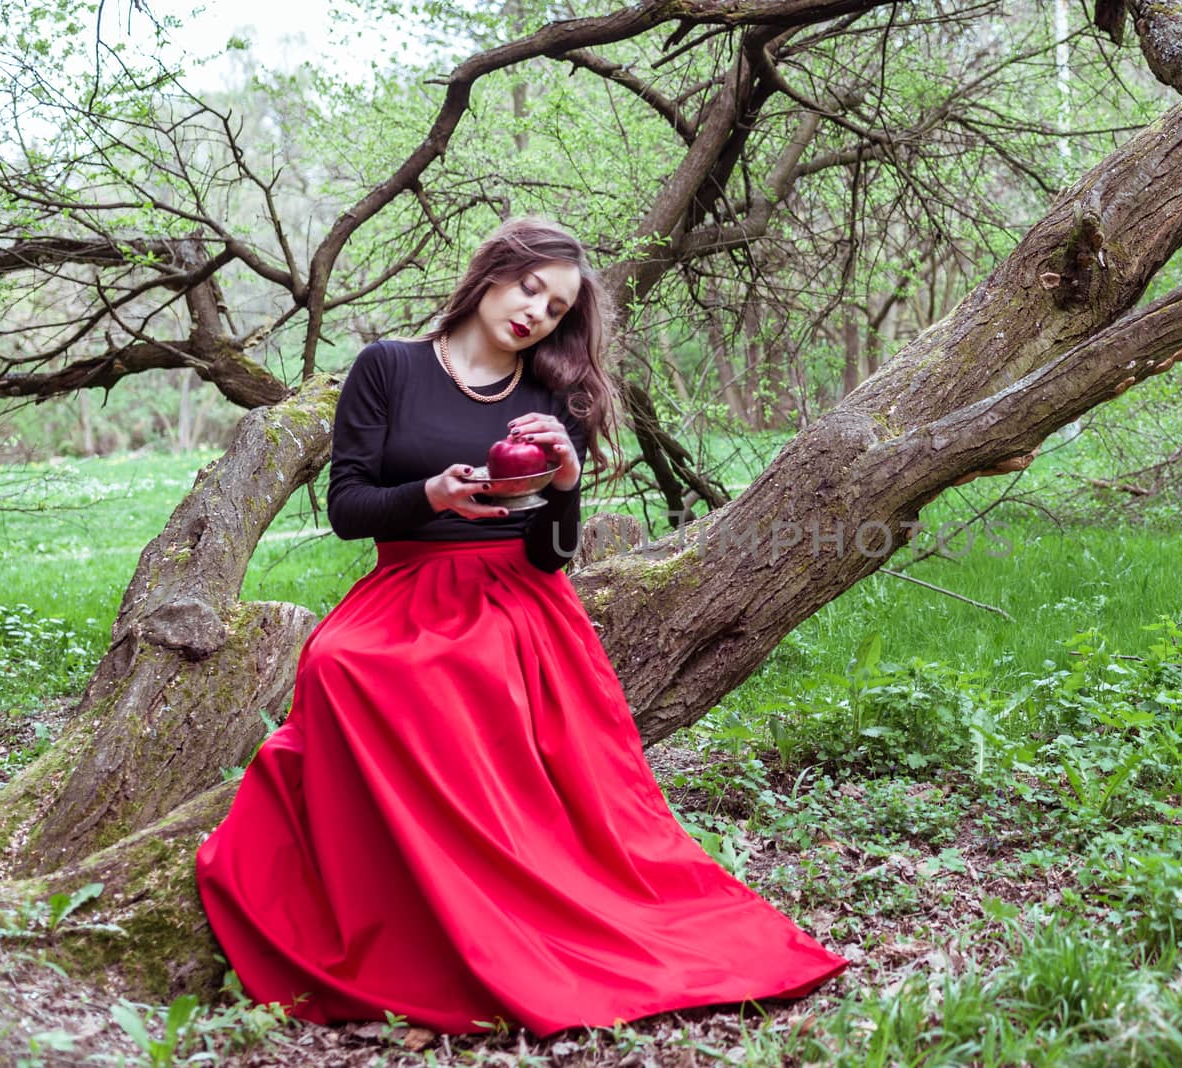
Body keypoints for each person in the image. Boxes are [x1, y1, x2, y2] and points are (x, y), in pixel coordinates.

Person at [194, 218, 848, 1037]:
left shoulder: (551, 397)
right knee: (344, 664)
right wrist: (431, 495)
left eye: (557, 307)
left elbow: (551, 558)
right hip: (405, 582)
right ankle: (405, 901)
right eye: (530, 287)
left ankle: (508, 902)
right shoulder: (387, 367)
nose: (537, 312)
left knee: (466, 676)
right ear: (492, 275)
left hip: (514, 592)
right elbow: (347, 509)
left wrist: (568, 483)